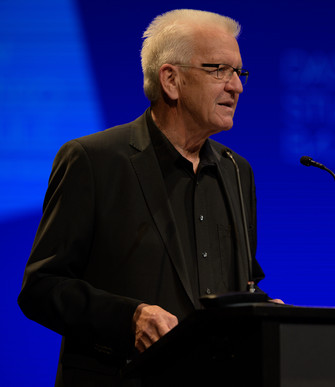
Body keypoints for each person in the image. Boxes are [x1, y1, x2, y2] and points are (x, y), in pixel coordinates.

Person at [18, 9, 273, 386]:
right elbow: (42, 287)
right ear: (170, 80)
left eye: (239, 72)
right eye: (220, 70)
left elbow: (243, 283)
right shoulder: (93, 161)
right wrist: (130, 318)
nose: (236, 86)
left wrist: (265, 312)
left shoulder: (238, 171)